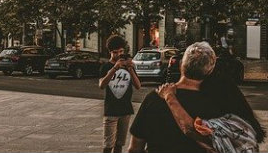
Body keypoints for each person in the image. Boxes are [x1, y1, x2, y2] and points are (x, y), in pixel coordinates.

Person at [129, 41, 264, 153]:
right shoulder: (218, 102)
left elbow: (134, 148)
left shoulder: (154, 98)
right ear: (210, 70)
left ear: (182, 65)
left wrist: (169, 96)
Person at [98, 35, 141, 153]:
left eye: (121, 51)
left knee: (119, 144)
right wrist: (114, 69)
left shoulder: (128, 66)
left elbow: (138, 86)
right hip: (111, 110)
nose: (118, 55)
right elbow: (101, 85)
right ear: (110, 52)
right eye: (115, 52)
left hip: (125, 109)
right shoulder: (106, 66)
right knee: (108, 145)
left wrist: (131, 69)